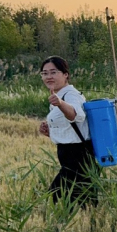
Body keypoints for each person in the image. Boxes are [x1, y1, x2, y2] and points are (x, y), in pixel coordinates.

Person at [39, 56, 97, 205]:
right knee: (79, 201)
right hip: (68, 154)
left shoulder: (70, 95)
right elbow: (71, 128)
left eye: (53, 72)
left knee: (56, 199)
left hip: (78, 156)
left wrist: (60, 103)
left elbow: (76, 115)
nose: (48, 76)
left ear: (65, 74)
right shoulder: (58, 95)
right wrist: (50, 132)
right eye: (44, 73)